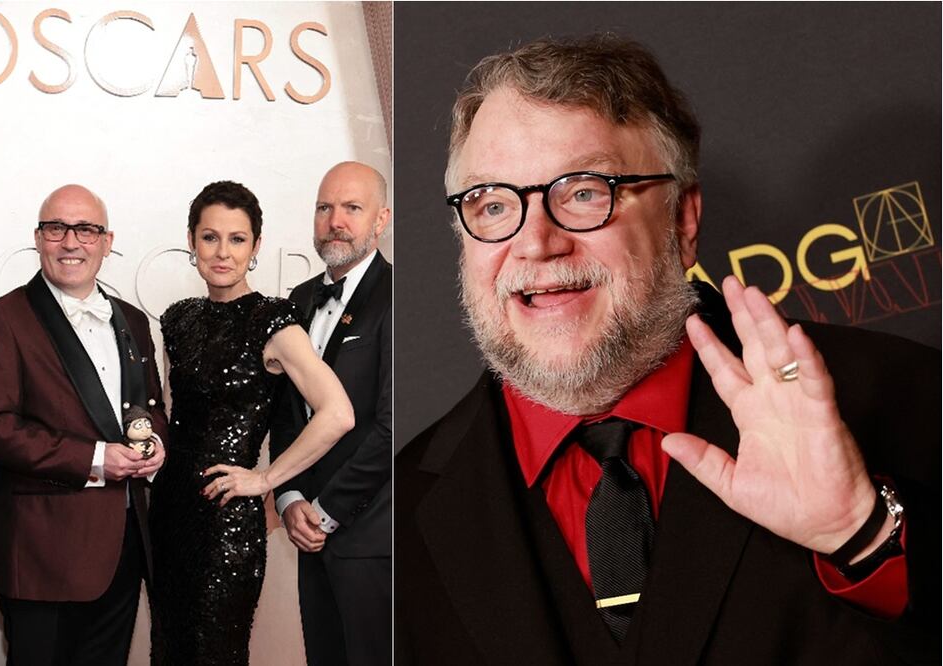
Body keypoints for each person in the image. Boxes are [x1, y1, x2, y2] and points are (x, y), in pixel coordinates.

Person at [395, 35, 938, 664]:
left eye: (584, 192)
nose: (537, 243)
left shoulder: (906, 396)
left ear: (682, 221)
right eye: (492, 204)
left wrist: (862, 535)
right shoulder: (402, 508)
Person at [148, 180, 354, 666]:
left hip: (227, 522)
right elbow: (172, 415)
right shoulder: (178, 320)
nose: (223, 252)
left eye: (237, 239)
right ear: (192, 241)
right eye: (210, 237)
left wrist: (265, 479)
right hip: (169, 513)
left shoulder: (273, 322)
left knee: (216, 652)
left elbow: (338, 413)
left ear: (256, 246)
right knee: (171, 650)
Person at [0, 184, 168, 665]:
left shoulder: (133, 321)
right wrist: (94, 458)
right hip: (42, 557)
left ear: (107, 242)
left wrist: (156, 441)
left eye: (86, 230)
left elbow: (149, 406)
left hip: (124, 548)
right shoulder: (2, 319)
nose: (71, 242)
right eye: (56, 228)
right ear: (38, 238)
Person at [270, 161, 393, 666]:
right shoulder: (298, 300)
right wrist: (290, 498)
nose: (335, 221)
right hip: (308, 532)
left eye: (351, 208)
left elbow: (392, 427)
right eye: (325, 207)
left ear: (381, 219)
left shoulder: (399, 296)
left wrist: (325, 511)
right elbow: (285, 415)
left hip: (372, 540)